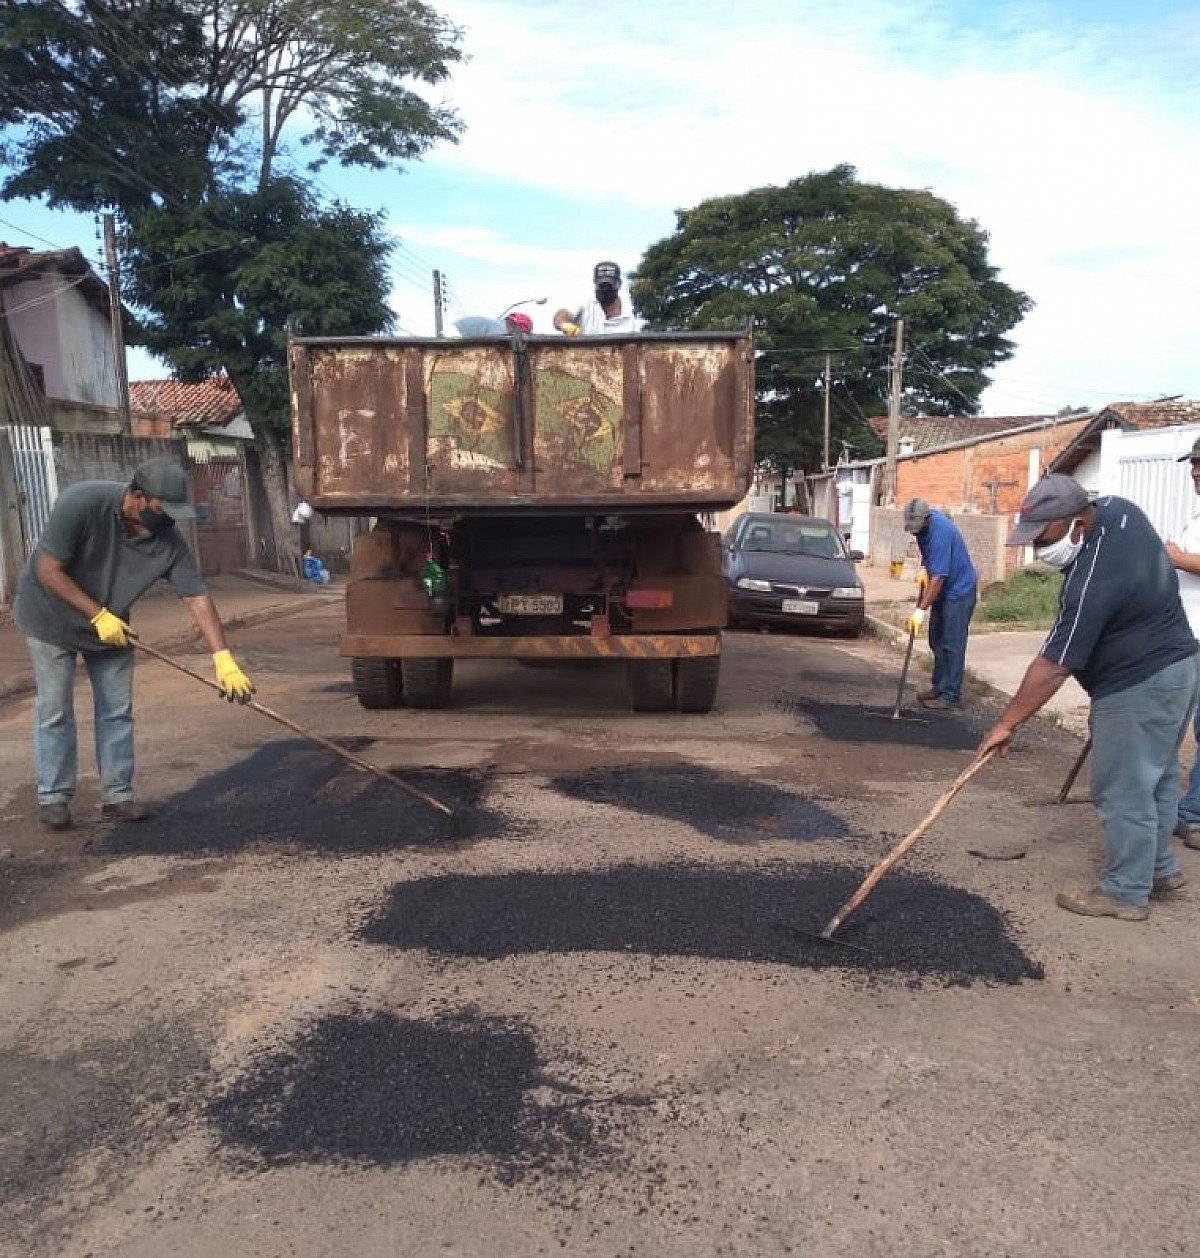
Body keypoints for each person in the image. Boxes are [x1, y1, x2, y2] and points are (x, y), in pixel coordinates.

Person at [978, 474, 1200, 921]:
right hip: (1180, 669)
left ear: (1078, 523)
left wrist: (1007, 723)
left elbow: (1053, 665)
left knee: (1122, 789)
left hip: (1138, 684)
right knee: (1154, 778)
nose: (1038, 548)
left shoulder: (1089, 585)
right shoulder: (1121, 509)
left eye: (1045, 536)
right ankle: (1157, 869)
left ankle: (1125, 892)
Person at [13, 457, 256, 831]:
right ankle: (54, 797)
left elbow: (197, 598)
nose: (170, 520)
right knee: (55, 708)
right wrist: (96, 615)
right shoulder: (82, 503)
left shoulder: (170, 542)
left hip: (112, 626)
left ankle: (117, 796)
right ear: (138, 497)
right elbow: (47, 570)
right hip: (50, 616)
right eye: (163, 510)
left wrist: (223, 658)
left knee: (116, 710)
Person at [902, 498, 978, 709]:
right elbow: (931, 562)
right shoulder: (921, 530)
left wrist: (920, 610)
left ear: (927, 519)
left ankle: (950, 695)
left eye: (917, 528)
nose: (914, 533)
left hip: (959, 591)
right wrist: (924, 568)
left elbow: (939, 578)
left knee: (952, 643)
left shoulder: (940, 533)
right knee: (936, 639)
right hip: (944, 591)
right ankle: (939, 686)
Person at [1165, 434, 1200, 850]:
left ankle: (1192, 816)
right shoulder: (1195, 517)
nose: (1194, 471)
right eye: (1192, 464)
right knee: (1170, 725)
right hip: (1183, 637)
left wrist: (1174, 557)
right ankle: (1184, 813)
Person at [553, 260, 638, 336]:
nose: (605, 290)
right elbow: (562, 314)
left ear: (619, 284)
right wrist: (564, 325)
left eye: (608, 285)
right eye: (601, 285)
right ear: (595, 283)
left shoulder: (629, 317)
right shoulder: (585, 305)